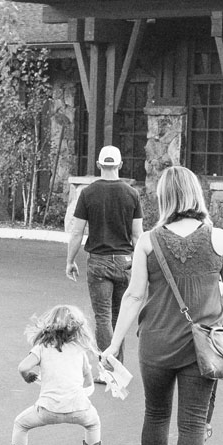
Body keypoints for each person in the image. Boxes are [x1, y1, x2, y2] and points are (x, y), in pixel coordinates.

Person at [102, 166, 223, 445]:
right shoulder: (218, 239)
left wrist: (114, 344)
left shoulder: (149, 241)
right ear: (196, 194)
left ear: (164, 197)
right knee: (192, 423)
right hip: (202, 346)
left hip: (155, 342)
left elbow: (134, 296)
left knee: (155, 414)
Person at [0, 304, 105, 445]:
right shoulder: (79, 349)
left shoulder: (42, 347)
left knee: (20, 424)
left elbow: (23, 367)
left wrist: (27, 377)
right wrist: (82, 394)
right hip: (79, 407)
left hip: (48, 409)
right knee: (93, 424)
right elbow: (88, 381)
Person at [66, 145, 144, 368]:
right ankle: (117, 365)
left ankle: (109, 367)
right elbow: (137, 235)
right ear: (120, 165)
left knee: (103, 317)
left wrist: (70, 261)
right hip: (124, 261)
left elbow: (77, 232)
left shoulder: (88, 193)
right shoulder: (132, 194)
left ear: (99, 164)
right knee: (120, 315)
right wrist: (141, 264)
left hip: (99, 261)